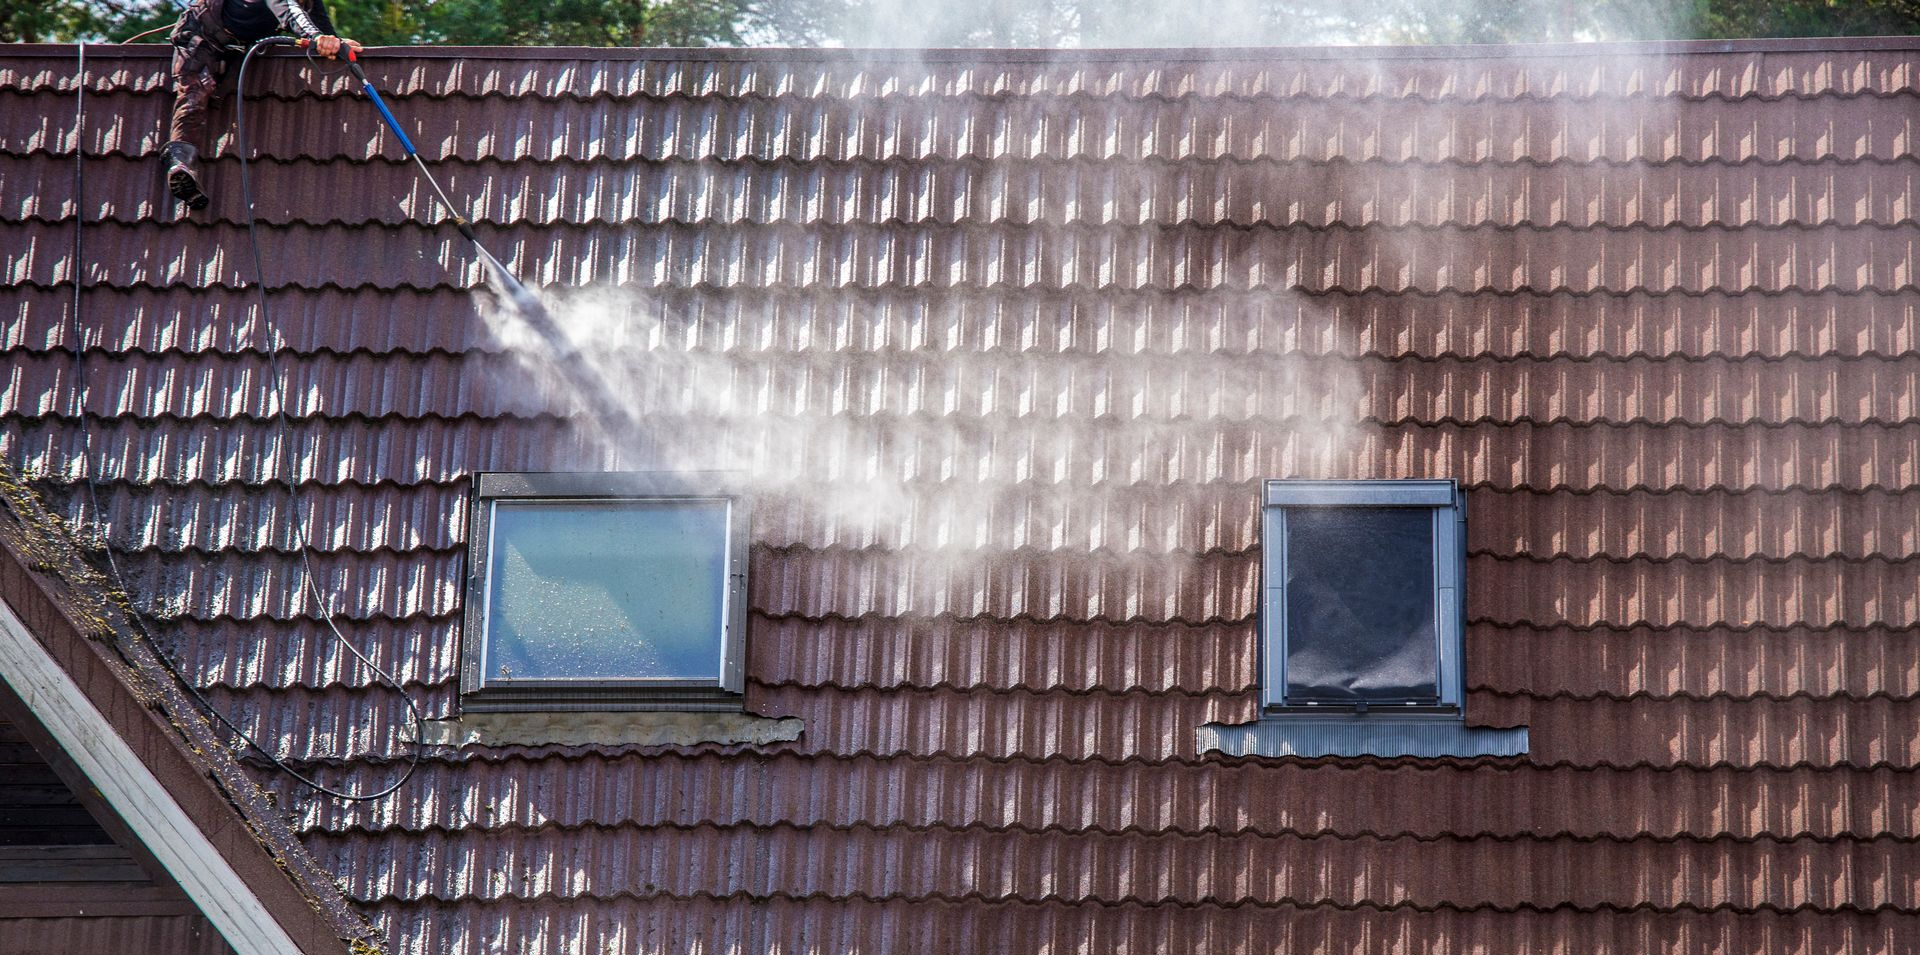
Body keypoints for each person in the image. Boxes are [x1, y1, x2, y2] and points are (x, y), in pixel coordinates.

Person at [163, 0, 362, 210]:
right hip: (201, 38)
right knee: (194, 96)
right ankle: (180, 164)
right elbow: (288, 10)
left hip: (238, 48)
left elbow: (315, 20)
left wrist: (334, 42)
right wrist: (317, 38)